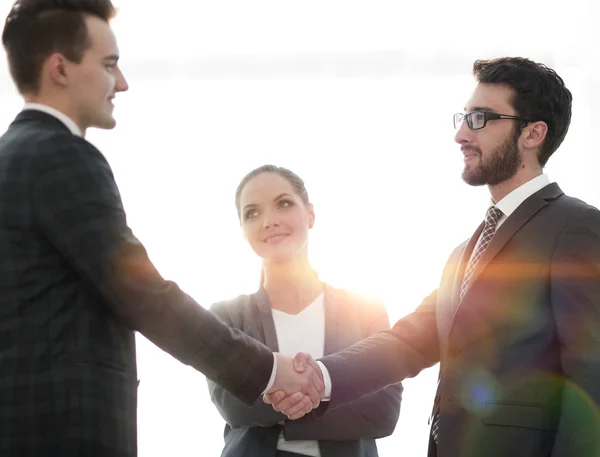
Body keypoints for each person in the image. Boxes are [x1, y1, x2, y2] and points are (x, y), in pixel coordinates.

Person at [0, 1, 322, 455]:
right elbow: (145, 295)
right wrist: (268, 370)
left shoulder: (12, 159)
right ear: (60, 68)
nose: (123, 82)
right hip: (60, 431)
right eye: (109, 65)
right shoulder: (61, 156)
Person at [267, 57, 600, 457]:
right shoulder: (464, 253)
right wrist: (321, 376)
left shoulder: (577, 228)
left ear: (533, 133)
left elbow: (592, 382)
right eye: (463, 117)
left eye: (479, 118)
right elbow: (409, 342)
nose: (460, 134)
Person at [206, 165, 402, 457]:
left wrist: (287, 405)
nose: (269, 221)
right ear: (243, 230)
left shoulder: (365, 310)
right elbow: (233, 404)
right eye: (252, 213)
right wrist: (325, 399)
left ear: (310, 214)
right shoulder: (227, 316)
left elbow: (383, 410)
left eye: (283, 204)